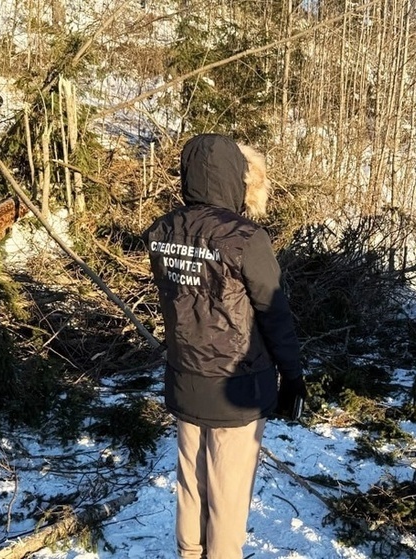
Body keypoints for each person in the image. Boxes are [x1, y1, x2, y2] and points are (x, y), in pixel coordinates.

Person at [142, 134, 306, 559]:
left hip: (184, 379)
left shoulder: (161, 231)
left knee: (191, 487)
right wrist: (293, 377)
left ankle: (189, 555)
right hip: (239, 388)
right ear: (236, 176)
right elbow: (275, 314)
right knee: (228, 497)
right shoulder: (246, 239)